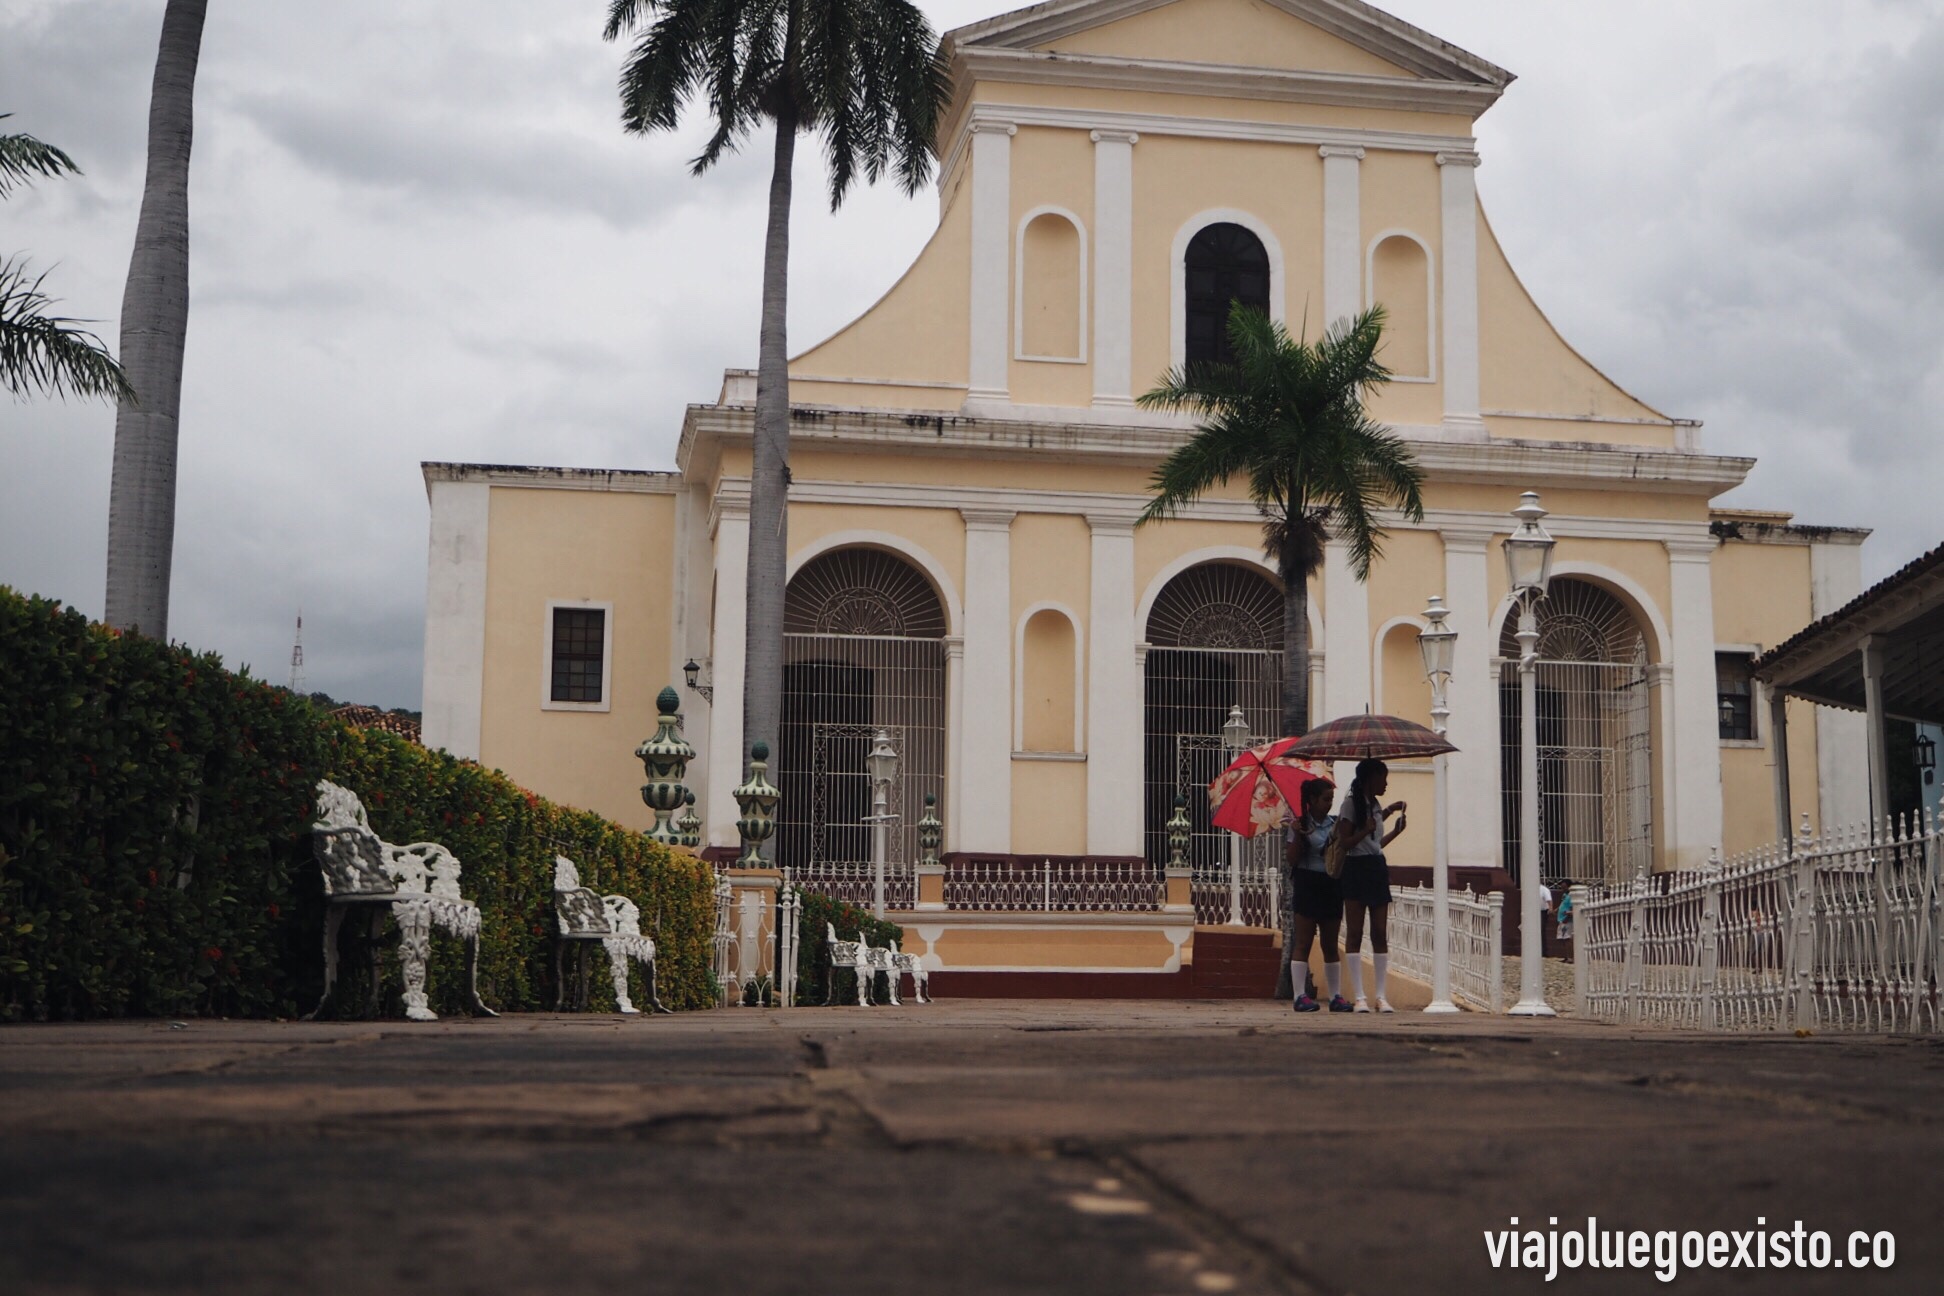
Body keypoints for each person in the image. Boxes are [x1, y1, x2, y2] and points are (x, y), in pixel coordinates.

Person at [1335, 758, 1407, 1012]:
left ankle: (1380, 996)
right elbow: (1346, 842)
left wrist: (1393, 826)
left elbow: (1374, 845)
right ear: (1370, 778)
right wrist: (1365, 830)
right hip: (1355, 869)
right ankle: (1359, 997)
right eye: (1382, 777)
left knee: (1379, 931)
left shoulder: (1375, 805)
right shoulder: (1349, 806)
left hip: (1376, 867)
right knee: (1355, 932)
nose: (1386, 783)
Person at [1285, 778, 1351, 1012]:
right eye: (1325, 799)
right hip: (1307, 882)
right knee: (1303, 941)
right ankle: (1299, 996)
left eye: (1331, 799)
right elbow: (1292, 859)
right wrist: (1299, 835)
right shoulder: (1299, 824)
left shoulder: (1334, 824)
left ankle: (1335, 996)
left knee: (1330, 943)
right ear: (1312, 800)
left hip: (1331, 882)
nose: (1329, 804)